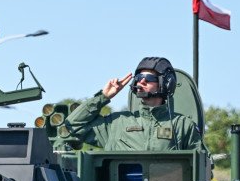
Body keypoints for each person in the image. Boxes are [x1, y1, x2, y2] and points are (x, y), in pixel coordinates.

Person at [59, 57, 206, 153]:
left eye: (148, 78)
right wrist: (103, 97)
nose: (141, 82)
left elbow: (203, 164)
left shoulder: (183, 126)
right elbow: (73, 126)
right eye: (139, 78)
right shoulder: (116, 124)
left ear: (165, 83)